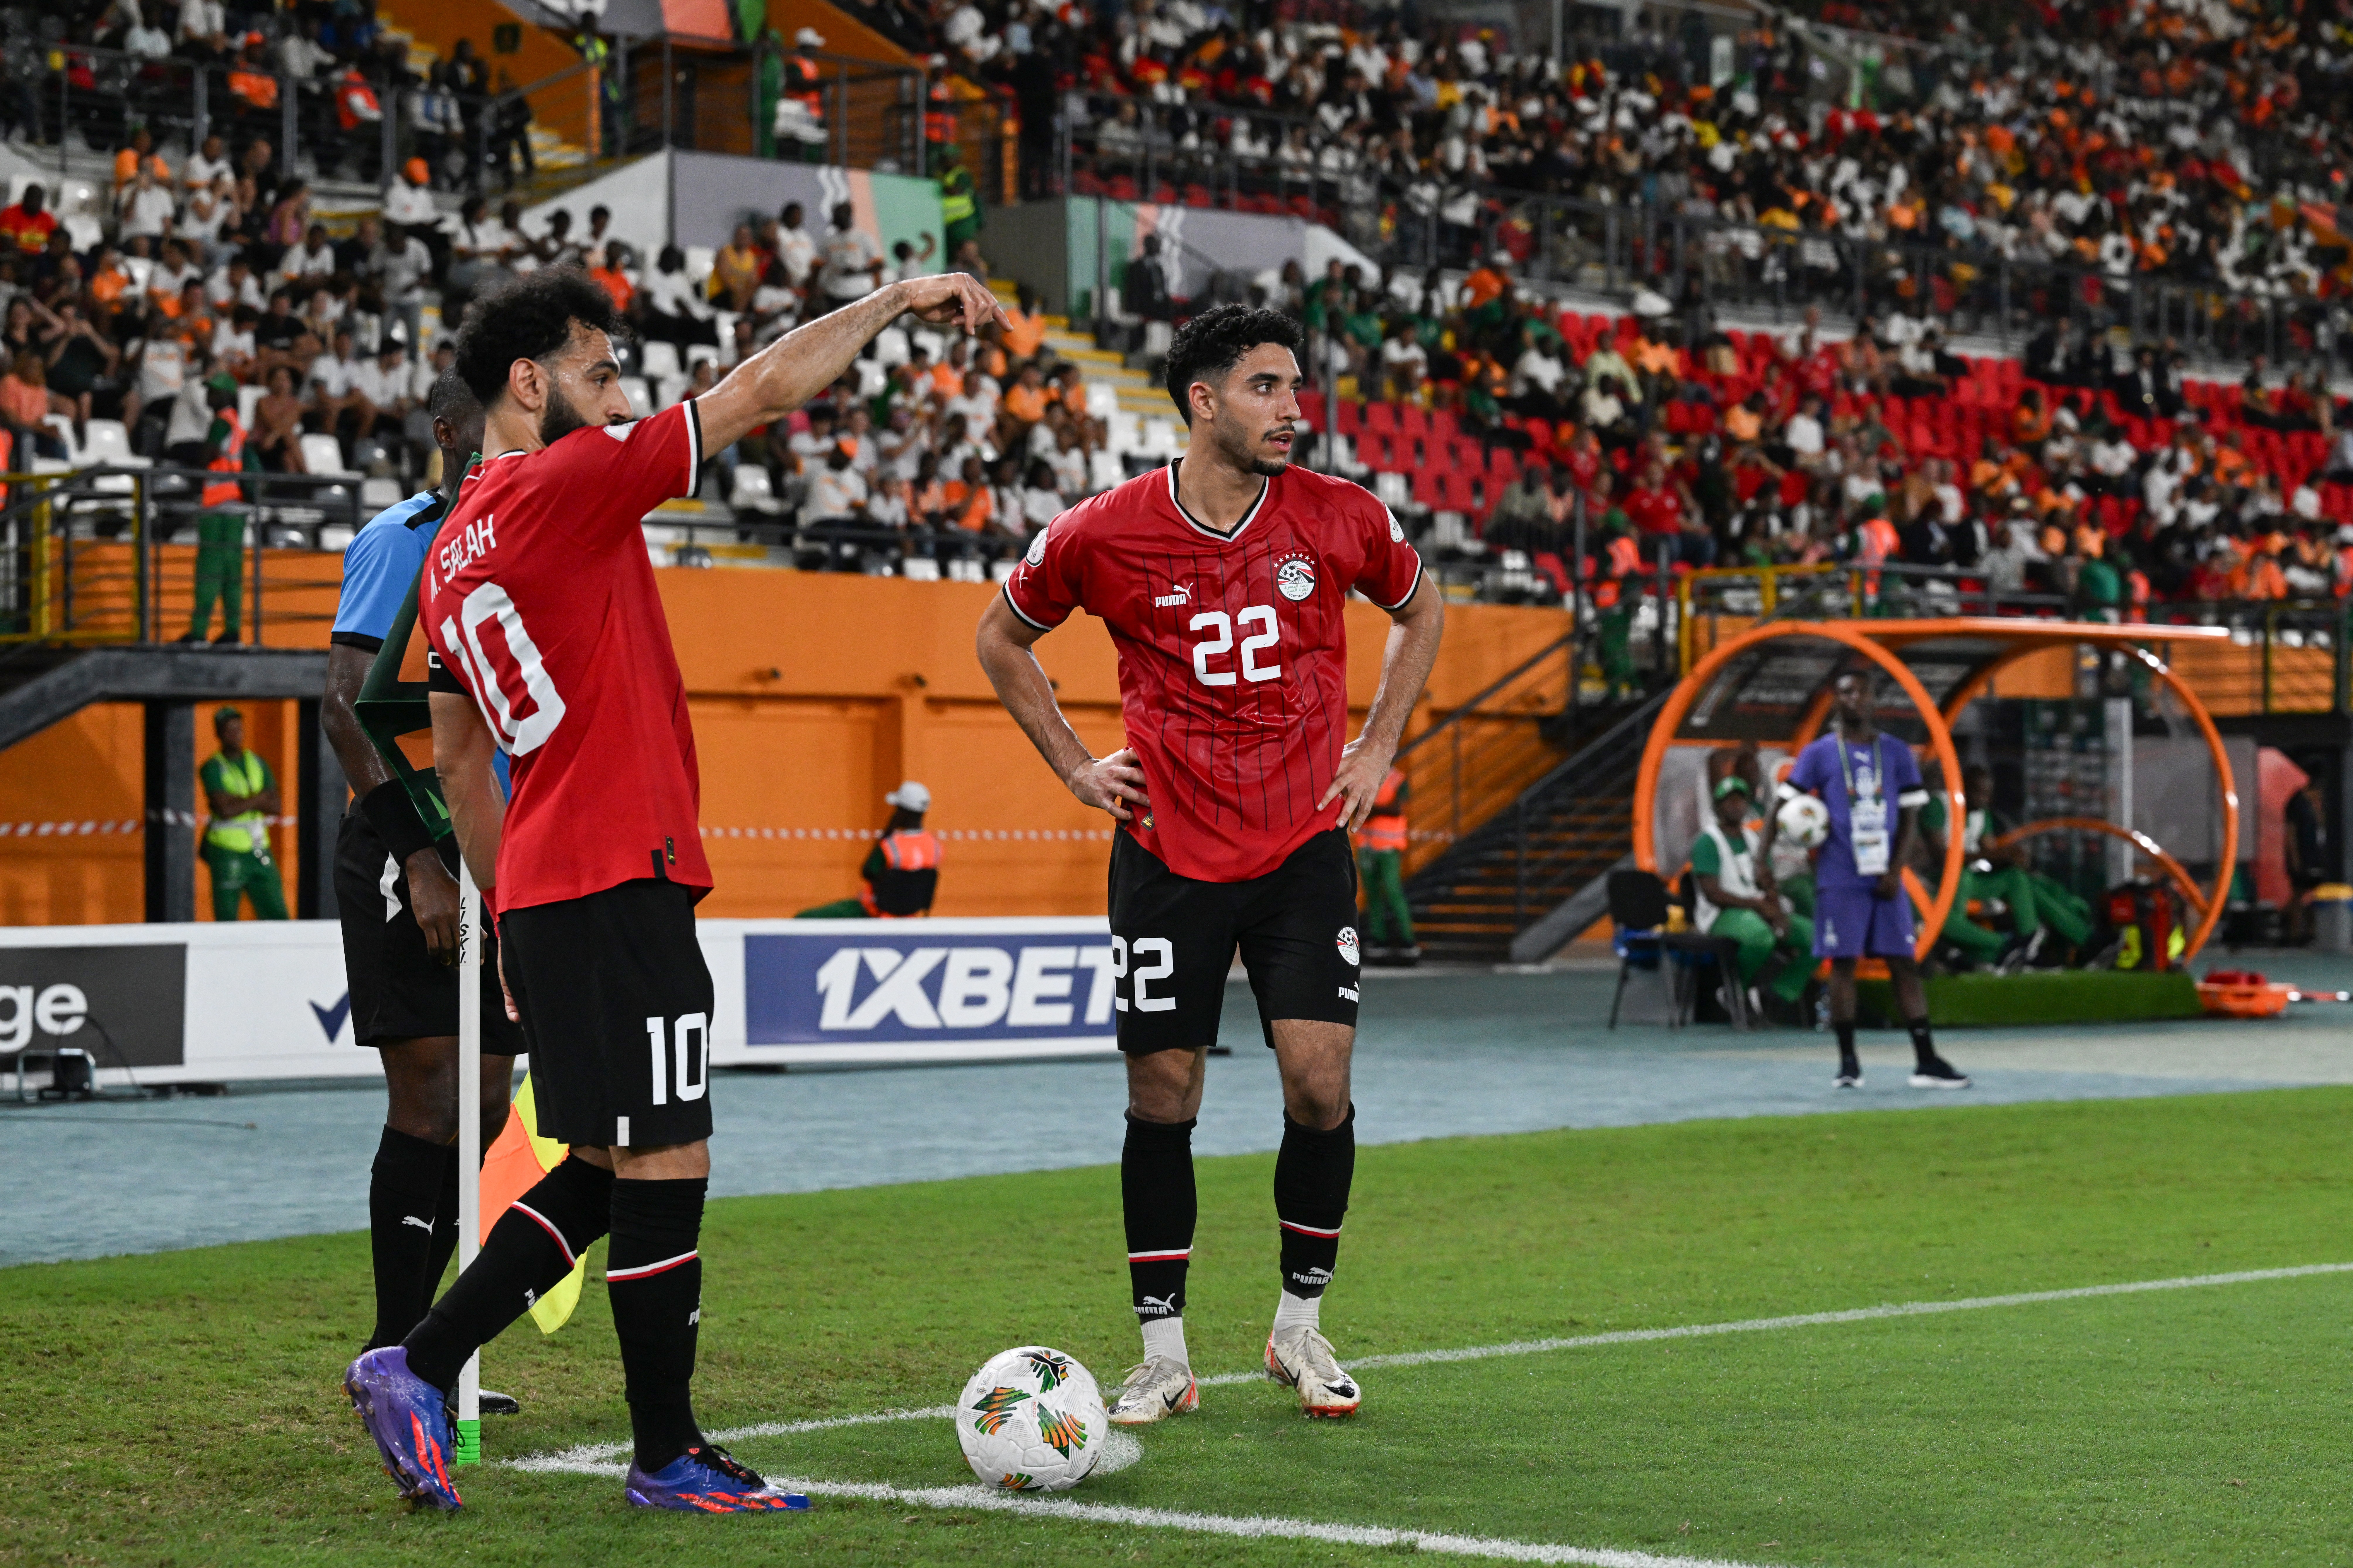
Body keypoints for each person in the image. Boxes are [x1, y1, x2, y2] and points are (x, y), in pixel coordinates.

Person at [341, 262, 1005, 1513]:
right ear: (529, 382)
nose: (619, 391)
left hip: (547, 884)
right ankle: (664, 1453)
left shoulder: (448, 553)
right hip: (616, 868)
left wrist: (503, 913)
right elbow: (755, 391)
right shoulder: (567, 478)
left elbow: (460, 757)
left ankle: (415, 1362)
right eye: (599, 371)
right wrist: (895, 302)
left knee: (600, 1163)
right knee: (670, 1156)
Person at [975, 304, 1444, 1425]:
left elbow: (1422, 606)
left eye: (1295, 386)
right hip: (1166, 853)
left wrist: (1377, 743)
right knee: (1161, 1091)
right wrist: (1076, 766)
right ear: (1202, 400)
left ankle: (1297, 1327)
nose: (1295, 409)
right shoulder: (1104, 529)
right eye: (1268, 387)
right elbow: (1001, 635)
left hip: (1298, 849)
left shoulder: (1339, 516)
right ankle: (1161, 1351)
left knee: (1318, 1084)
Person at [322, 368, 529, 1370]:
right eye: (485, 426)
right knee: (435, 1092)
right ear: (447, 431)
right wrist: (416, 854)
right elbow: (340, 702)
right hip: (406, 833)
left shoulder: (530, 534)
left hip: (503, 832)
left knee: (490, 1100)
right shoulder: (397, 537)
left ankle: (429, 1350)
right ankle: (392, 1346)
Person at [1759, 670, 1969, 1091]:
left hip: (1885, 877)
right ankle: (1848, 1064)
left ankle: (1926, 1061)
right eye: (1844, 692)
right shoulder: (1819, 754)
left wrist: (1896, 870)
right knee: (1842, 964)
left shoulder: (1895, 754)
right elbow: (1781, 805)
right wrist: (1760, 858)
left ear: (1872, 699)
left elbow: (1909, 814)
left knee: (1903, 964)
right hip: (1839, 875)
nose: (1852, 698)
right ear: (1835, 701)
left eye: (1859, 691)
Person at [1918, 764, 2092, 969]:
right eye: (1980, 793)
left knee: (2016, 878)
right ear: (1964, 788)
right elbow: (1943, 857)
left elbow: (1990, 853)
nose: (1985, 800)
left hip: (1970, 878)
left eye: (1987, 795)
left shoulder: (1981, 815)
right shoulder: (1939, 806)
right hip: (1936, 879)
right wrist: (1996, 854)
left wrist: (2012, 857)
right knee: (1961, 877)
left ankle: (2030, 947)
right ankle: (1962, 948)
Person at [1691, 774, 1813, 1018]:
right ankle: (1735, 990)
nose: (1735, 806)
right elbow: (1713, 894)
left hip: (1757, 909)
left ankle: (1777, 995)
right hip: (1721, 914)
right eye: (1728, 801)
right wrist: (1759, 908)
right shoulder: (1707, 842)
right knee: (1760, 937)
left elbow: (1768, 884)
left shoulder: (1753, 839)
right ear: (1717, 807)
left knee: (1815, 937)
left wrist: (1776, 912)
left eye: (1740, 801)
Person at [793, 782, 942, 917]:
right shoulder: (935, 847)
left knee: (804, 918)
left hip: (872, 913)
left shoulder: (891, 845)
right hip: (910, 916)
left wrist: (889, 829)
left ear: (902, 812)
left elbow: (867, 872)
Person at [200, 706, 287, 920]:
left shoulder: (257, 762)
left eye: (239, 728)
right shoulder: (213, 767)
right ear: (219, 734)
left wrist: (239, 801)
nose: (236, 734)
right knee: (227, 918)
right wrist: (259, 798)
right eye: (230, 730)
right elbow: (226, 810)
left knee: (277, 914)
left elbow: (276, 806)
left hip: (258, 847)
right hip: (226, 849)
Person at [1356, 767, 1416, 965]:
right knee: (1372, 894)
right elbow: (1354, 809)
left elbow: (1397, 809)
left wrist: (1373, 810)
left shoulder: (1397, 779)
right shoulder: (1361, 773)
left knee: (1392, 890)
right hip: (1366, 844)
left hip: (1388, 846)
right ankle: (1379, 939)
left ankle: (1408, 940)